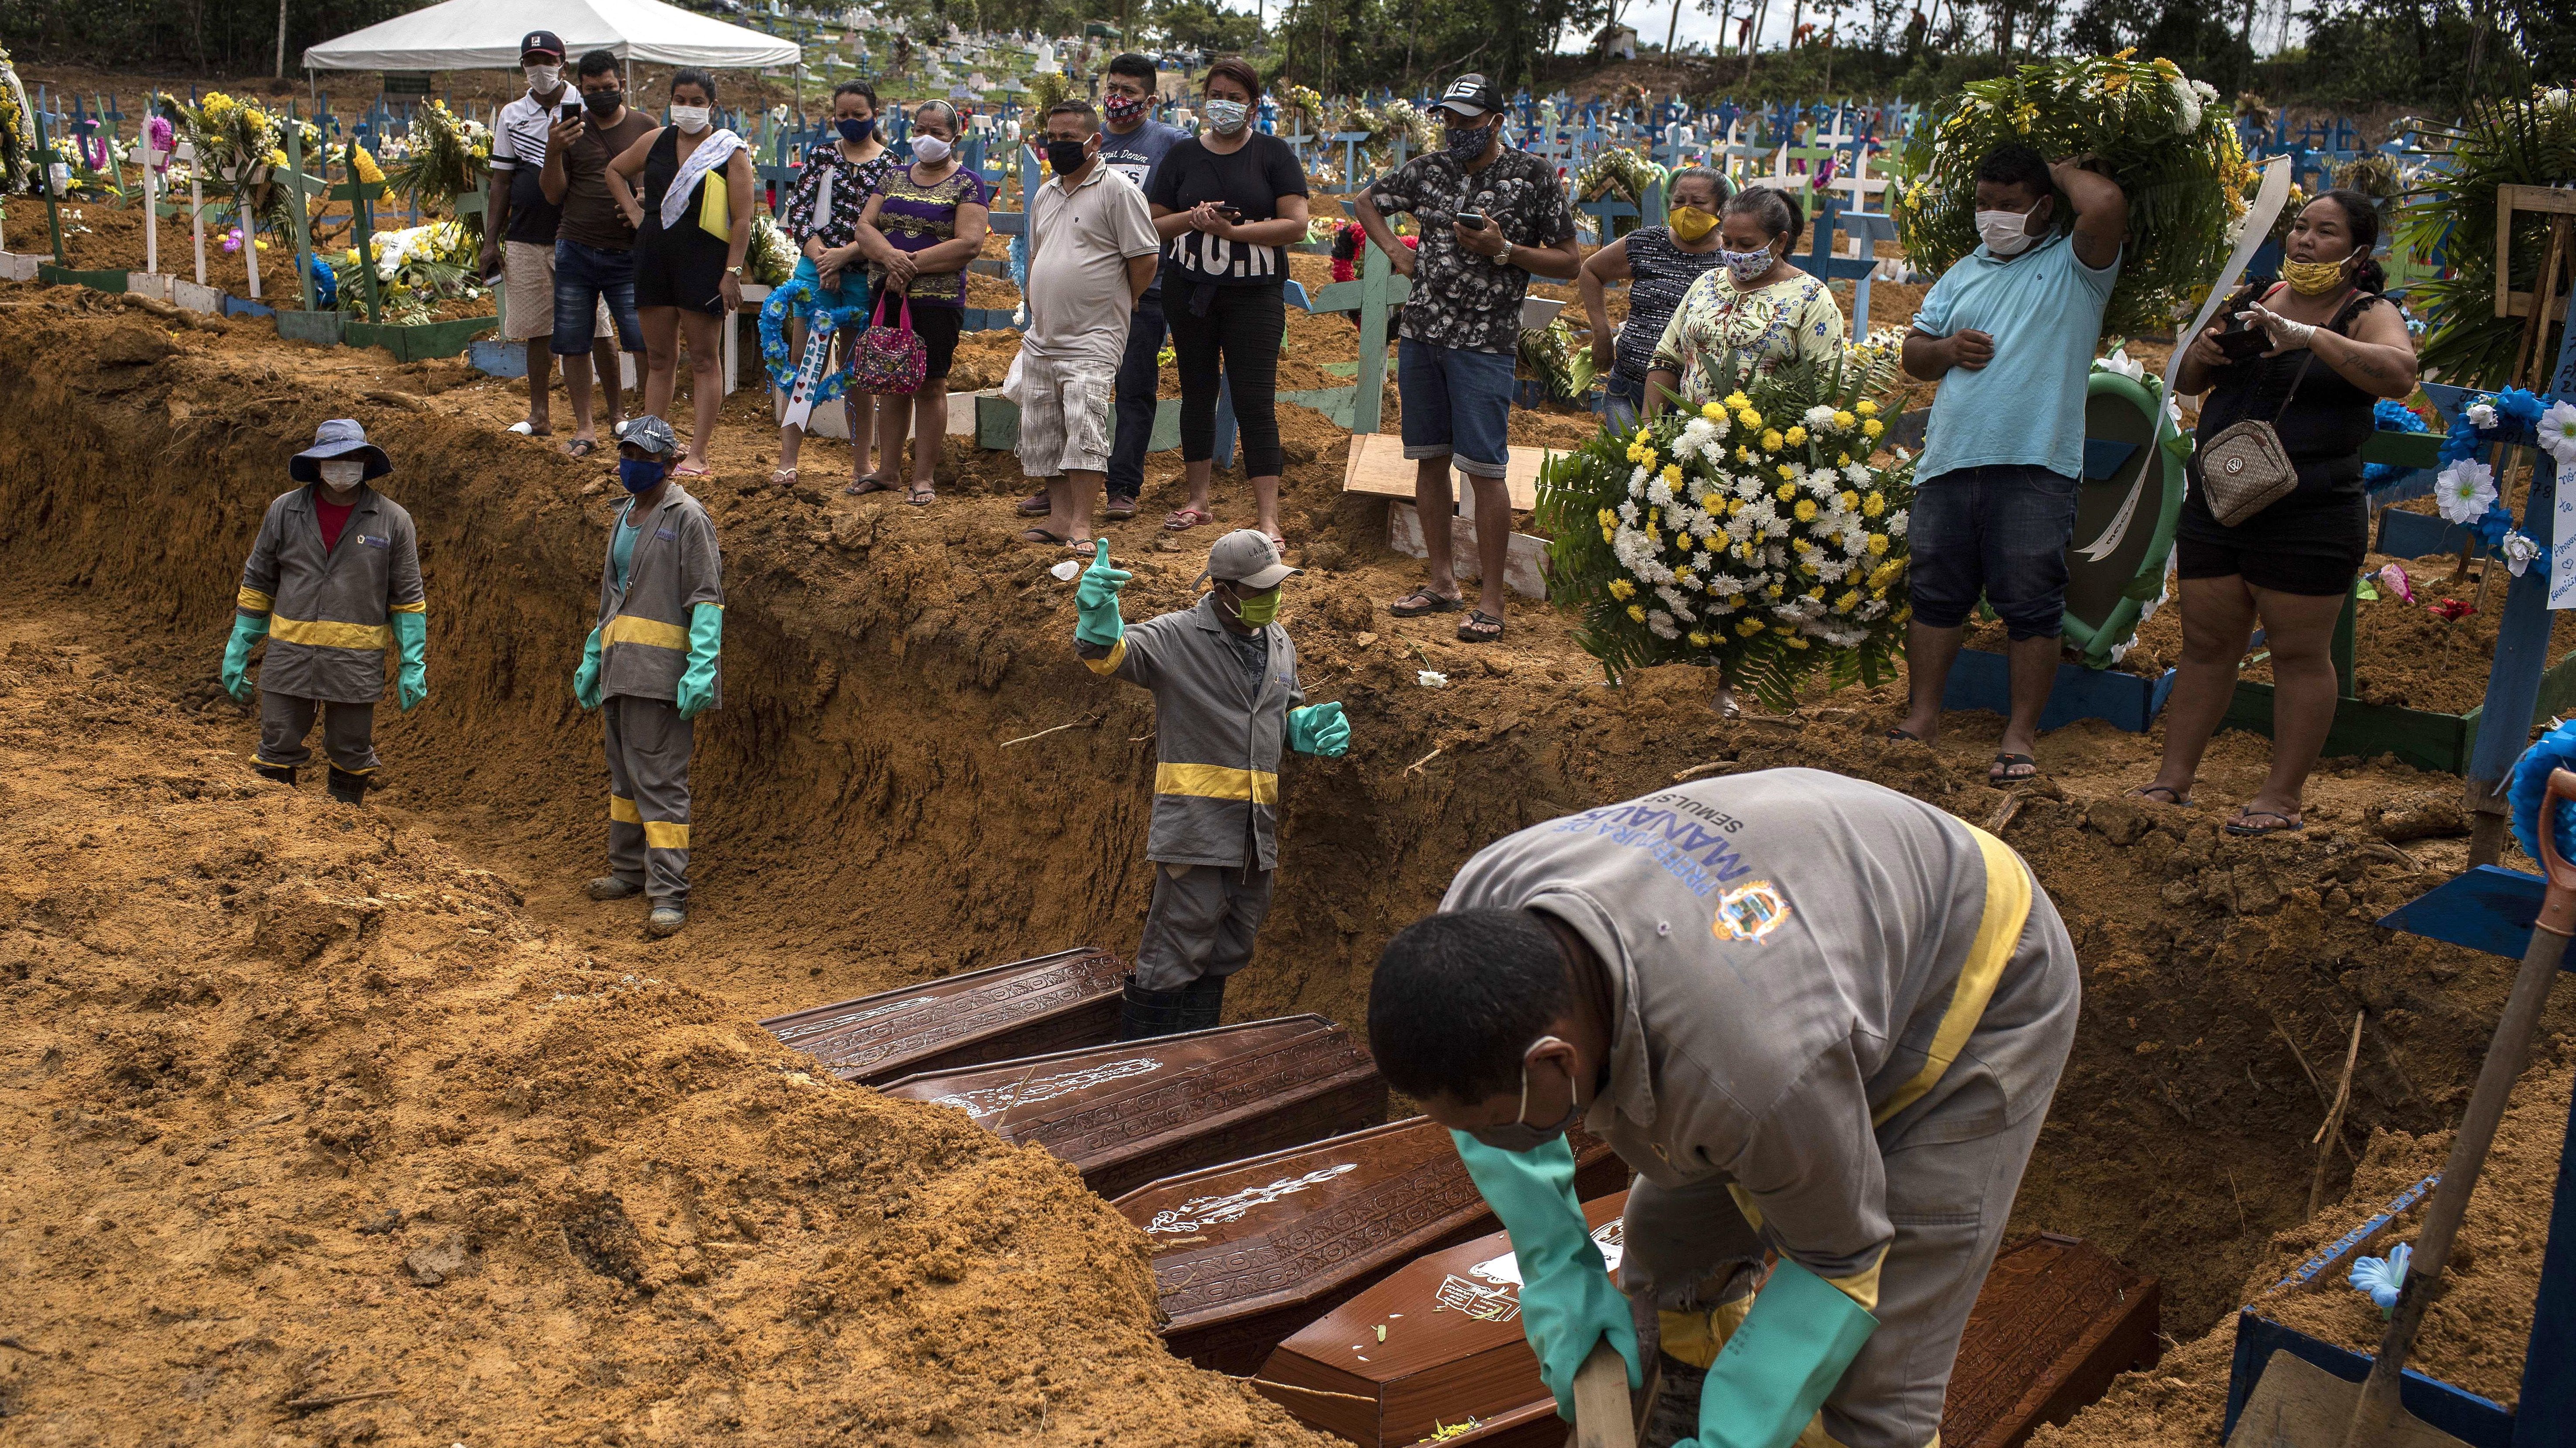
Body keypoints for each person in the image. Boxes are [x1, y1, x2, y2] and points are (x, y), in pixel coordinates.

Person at [1366, 769, 2078, 1448]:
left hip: (1978, 971)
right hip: (1810, 917)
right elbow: (1488, 1101)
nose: (1493, 1140)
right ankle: (1688, 1389)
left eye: (1498, 1123)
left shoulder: (1753, 1069)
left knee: (1877, 1372)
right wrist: (1557, 1263)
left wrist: (1738, 1433)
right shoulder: (1479, 912)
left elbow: (1841, 1259)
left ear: (1554, 1059)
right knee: (1670, 1241)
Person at [2137, 189, 2418, 835]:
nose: (2305, 241)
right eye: (2300, 228)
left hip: (2310, 512)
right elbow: (2184, 380)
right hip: (2220, 501)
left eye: (2324, 232)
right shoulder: (2252, 298)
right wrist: (2199, 358)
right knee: (2206, 645)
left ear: (2358, 253)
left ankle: (2280, 797)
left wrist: (2309, 338)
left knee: (2297, 653)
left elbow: (2400, 374)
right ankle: (2171, 780)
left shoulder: (2366, 312)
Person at [1894, 143, 2128, 783]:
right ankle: (1923, 718)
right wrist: (1944, 348)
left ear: (2044, 208)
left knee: (2030, 601)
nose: (1993, 216)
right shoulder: (1962, 272)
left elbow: (2105, 202)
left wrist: (2051, 164)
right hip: (1948, 459)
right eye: (1982, 204)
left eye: (2009, 204)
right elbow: (1913, 354)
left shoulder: (2077, 266)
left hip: (2037, 462)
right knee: (1936, 594)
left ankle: (2020, 735)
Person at [1073, 530, 1351, 1036]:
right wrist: (1098, 612)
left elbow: (1281, 710)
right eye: (1257, 591)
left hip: (1253, 834)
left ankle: (1191, 1057)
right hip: (1196, 832)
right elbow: (1109, 654)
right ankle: (1144, 1064)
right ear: (1222, 590)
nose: (1270, 599)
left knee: (1229, 948)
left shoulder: (1280, 643)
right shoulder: (1176, 637)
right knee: (1177, 947)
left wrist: (1306, 725)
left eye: (1275, 588)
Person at [1353, 73, 1579, 645]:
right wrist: (1396, 254)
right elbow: (1367, 202)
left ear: (1497, 122)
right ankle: (1441, 582)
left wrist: (1504, 250)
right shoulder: (1431, 169)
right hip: (1426, 333)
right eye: (1449, 120)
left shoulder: (1533, 177)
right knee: (1429, 459)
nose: (1455, 131)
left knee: (1484, 469)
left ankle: (1492, 599)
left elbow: (1570, 261)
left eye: (1467, 121)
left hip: (1485, 341)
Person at [1147, 59, 1311, 547]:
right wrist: (1192, 220)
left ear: (1254, 106)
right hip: (1190, 291)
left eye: (1236, 98)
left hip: (1255, 295)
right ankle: (1198, 501)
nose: (1224, 104)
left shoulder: (1273, 155)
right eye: (1216, 94)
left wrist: (1234, 232)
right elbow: (1154, 223)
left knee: (1254, 401)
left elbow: (1296, 225)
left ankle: (1268, 520)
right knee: (1196, 392)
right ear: (1203, 101)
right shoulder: (1181, 157)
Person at [572, 416, 725, 939]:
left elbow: (706, 598)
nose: (631, 464)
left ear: (667, 464)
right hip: (620, 668)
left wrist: (702, 667)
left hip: (660, 676)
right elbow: (611, 598)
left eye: (642, 457)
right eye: (626, 454)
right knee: (624, 780)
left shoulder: (687, 517)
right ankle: (628, 870)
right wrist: (594, 654)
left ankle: (669, 893)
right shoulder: (625, 516)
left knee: (659, 784)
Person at [223, 419, 428, 807]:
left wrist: (412, 663)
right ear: (317, 463)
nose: (343, 466)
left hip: (355, 663)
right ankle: (275, 824)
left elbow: (408, 598)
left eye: (352, 457)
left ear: (366, 462)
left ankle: (343, 828)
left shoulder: (392, 520)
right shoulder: (284, 511)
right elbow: (258, 581)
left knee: (351, 747)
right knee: (278, 739)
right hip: (289, 657)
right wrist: (240, 643)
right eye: (334, 458)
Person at [1018, 52, 1186, 526]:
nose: (1118, 98)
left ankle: (1123, 486)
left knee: (1128, 389)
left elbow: (1149, 245)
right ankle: (1060, 498)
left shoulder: (1169, 144)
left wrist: (1129, 295)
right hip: (1064, 313)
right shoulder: (1057, 179)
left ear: (1150, 99)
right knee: (1056, 401)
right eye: (1113, 87)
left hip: (1137, 291)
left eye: (1129, 91)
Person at [479, 30, 625, 441]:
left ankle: (616, 415)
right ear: (523, 67)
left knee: (598, 328)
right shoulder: (512, 114)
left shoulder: (585, 105)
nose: (540, 69)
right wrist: (492, 240)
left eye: (547, 60)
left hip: (578, 234)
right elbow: (501, 181)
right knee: (536, 328)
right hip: (526, 235)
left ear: (563, 62)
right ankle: (540, 414)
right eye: (531, 62)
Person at [608, 69, 752, 479]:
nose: (686, 108)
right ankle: (653, 442)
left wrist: (732, 273)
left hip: (704, 262)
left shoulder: (729, 151)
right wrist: (636, 214)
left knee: (704, 359)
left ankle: (699, 453)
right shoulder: (655, 141)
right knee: (659, 358)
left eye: (695, 101)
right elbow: (615, 172)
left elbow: (743, 219)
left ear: (712, 106)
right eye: (679, 100)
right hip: (654, 256)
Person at [851, 100, 990, 505]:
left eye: (938, 133)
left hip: (937, 301)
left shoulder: (968, 184)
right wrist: (888, 257)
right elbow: (865, 226)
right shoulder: (892, 176)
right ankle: (888, 470)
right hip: (887, 294)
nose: (926, 139)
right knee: (892, 383)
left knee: (930, 384)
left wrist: (908, 264)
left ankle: (924, 477)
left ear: (955, 139)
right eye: (920, 130)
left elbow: (969, 243)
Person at [539, 49, 656, 459]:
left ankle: (644, 427)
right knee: (573, 342)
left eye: (609, 88)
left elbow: (660, 187)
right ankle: (586, 429)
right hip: (575, 248)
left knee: (642, 341)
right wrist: (554, 150)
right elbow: (553, 193)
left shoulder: (645, 126)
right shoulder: (570, 129)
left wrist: (641, 199)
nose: (602, 96)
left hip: (628, 255)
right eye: (593, 91)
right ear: (580, 90)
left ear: (621, 85)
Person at [1642, 184, 1845, 415]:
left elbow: (1822, 382)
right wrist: (1650, 426)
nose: (1735, 253)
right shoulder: (1706, 284)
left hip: (1769, 443)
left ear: (1780, 242)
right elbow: (1667, 357)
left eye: (1747, 245)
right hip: (1693, 438)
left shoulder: (1811, 297)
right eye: (1727, 243)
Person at [777, 80, 892, 489]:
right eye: (842, 115)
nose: (850, 122)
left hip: (863, 272)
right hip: (816, 269)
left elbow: (885, 227)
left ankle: (862, 464)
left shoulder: (890, 165)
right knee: (805, 361)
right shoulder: (822, 156)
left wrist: (845, 256)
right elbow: (801, 215)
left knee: (857, 371)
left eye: (858, 115)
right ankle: (789, 458)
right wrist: (822, 257)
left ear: (875, 114)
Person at [1580, 167, 1729, 430]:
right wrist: (1601, 334)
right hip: (1628, 390)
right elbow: (1591, 271)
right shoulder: (1647, 243)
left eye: (1699, 203)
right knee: (1630, 462)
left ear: (1721, 209)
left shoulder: (1730, 260)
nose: (1687, 210)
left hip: (1694, 401)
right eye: (1679, 201)